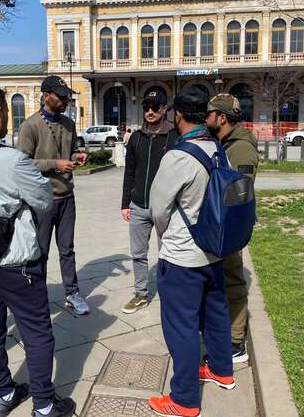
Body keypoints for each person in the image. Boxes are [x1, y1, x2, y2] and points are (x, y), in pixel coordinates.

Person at [0, 84, 75, 417]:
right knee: (38, 332)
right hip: (15, 263)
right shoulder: (9, 160)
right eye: (8, 112)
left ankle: (4, 392)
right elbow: (42, 198)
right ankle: (43, 404)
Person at [148, 87, 236, 417]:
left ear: (179, 115)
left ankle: (184, 399)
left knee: (181, 326)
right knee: (215, 313)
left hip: (183, 257)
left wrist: (166, 238)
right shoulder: (217, 149)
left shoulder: (178, 156)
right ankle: (221, 370)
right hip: (214, 250)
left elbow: (158, 209)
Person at [17, 75, 90, 315]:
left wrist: (79, 156)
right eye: (60, 96)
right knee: (41, 250)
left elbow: (74, 149)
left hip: (67, 197)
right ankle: (37, 297)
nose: (65, 100)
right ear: (46, 95)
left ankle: (72, 293)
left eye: (67, 96)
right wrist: (54, 164)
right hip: (42, 200)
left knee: (67, 249)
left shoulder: (69, 124)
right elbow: (23, 163)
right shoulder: (30, 126)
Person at [205, 94, 259, 364]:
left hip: (228, 227)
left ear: (221, 118)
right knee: (221, 281)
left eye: (209, 115)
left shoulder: (240, 148)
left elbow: (238, 192)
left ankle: (236, 342)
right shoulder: (224, 142)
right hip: (219, 225)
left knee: (233, 281)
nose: (205, 119)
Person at [120, 89, 177, 314]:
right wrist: (125, 203)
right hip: (138, 205)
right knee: (138, 254)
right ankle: (141, 294)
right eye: (146, 107)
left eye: (155, 107)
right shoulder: (136, 137)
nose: (150, 112)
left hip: (165, 208)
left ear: (164, 109)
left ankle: (169, 294)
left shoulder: (174, 136)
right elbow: (129, 172)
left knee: (168, 253)